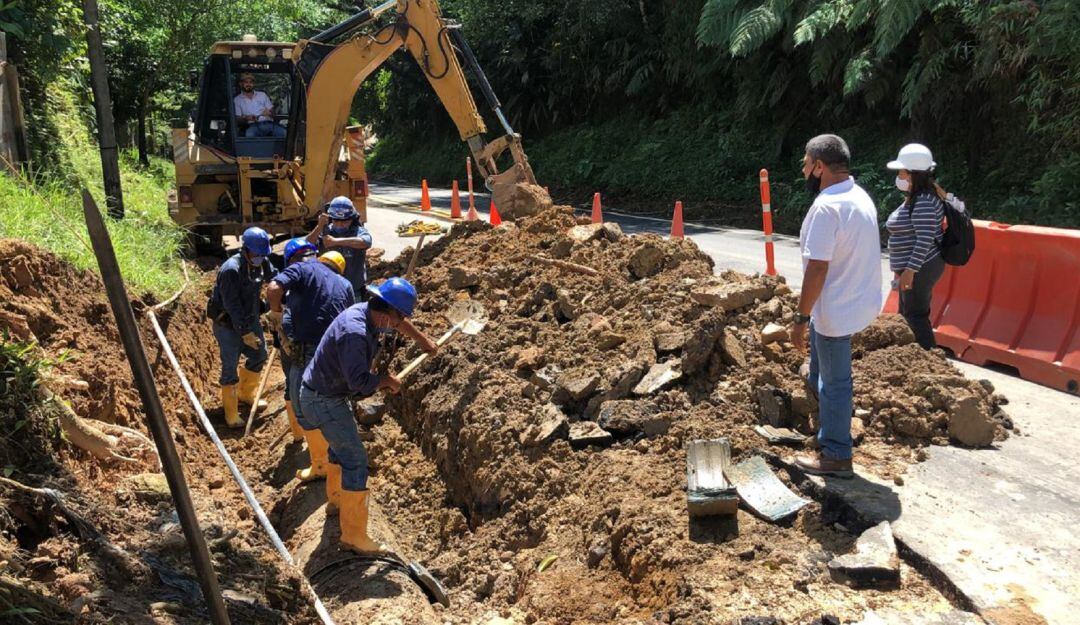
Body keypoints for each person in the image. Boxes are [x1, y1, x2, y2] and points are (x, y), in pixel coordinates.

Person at [298, 278, 437, 553]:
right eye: (398, 319)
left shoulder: (369, 312)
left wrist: (424, 341)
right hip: (324, 399)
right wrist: (385, 381)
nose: (399, 325)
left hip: (326, 393)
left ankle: (336, 500)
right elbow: (359, 383)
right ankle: (353, 535)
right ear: (387, 313)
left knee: (340, 450)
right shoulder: (355, 333)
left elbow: (399, 324)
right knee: (356, 460)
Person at [789, 134, 882, 478]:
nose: (802, 169)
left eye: (805, 162)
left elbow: (818, 268)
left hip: (835, 308)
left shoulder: (827, 208)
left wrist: (800, 317)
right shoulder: (858, 196)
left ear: (819, 167)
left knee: (836, 382)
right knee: (822, 369)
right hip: (857, 300)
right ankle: (818, 402)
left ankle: (836, 453)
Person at [266, 242, 355, 481]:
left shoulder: (303, 268)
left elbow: (273, 288)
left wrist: (275, 313)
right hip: (334, 351)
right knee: (328, 402)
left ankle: (321, 465)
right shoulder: (346, 285)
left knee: (303, 405)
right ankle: (328, 459)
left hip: (308, 350)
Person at [207, 226, 276, 427]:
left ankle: (247, 394)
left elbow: (275, 278)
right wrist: (244, 331)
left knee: (259, 355)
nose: (260, 258)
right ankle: (231, 412)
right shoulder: (231, 270)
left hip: (251, 317)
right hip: (228, 324)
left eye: (263, 255)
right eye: (256, 254)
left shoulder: (262, 261)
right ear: (245, 249)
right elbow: (233, 305)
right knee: (230, 366)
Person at [885, 143, 945, 350]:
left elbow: (925, 238)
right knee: (907, 316)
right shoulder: (917, 197)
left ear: (913, 174)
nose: (899, 176)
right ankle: (914, 360)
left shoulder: (925, 201)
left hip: (921, 266)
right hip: (915, 266)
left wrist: (910, 271)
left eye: (902, 172)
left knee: (915, 316)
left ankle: (930, 361)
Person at [306, 196, 372, 300]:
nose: (340, 225)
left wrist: (335, 242)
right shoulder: (325, 231)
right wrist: (319, 227)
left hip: (353, 291)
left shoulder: (358, 231)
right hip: (328, 290)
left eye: (344, 221)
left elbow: (366, 242)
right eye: (336, 221)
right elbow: (306, 244)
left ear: (351, 219)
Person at [234, 73, 286, 138]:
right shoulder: (237, 100)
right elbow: (237, 119)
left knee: (285, 133)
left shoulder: (262, 95)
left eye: (251, 82)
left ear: (253, 84)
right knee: (249, 135)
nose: (248, 84)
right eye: (246, 82)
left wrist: (270, 112)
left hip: (268, 123)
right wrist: (246, 118)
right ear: (241, 84)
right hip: (252, 125)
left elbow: (273, 113)